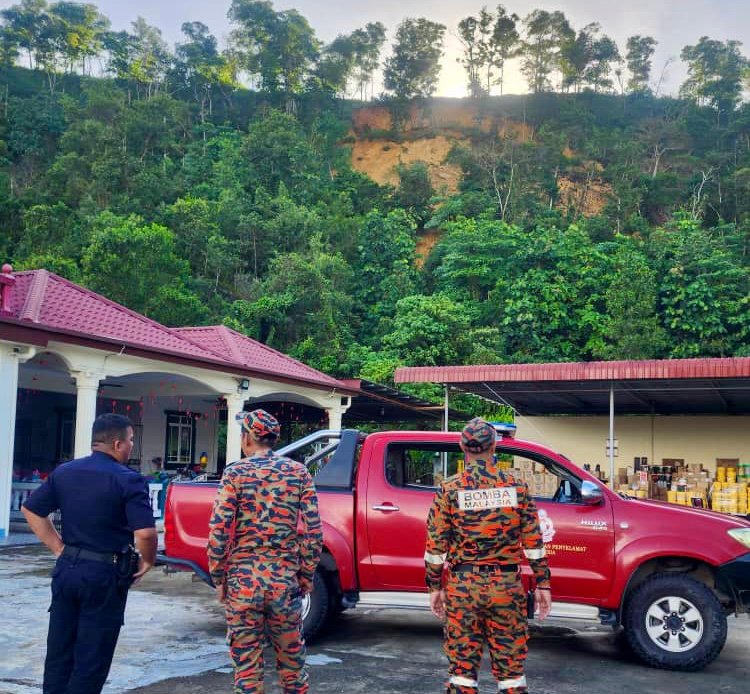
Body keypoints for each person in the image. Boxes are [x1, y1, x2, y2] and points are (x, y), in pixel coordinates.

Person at [21, 413, 158, 694]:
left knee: (59, 652)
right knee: (91, 658)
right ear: (118, 444)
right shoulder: (129, 480)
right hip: (104, 575)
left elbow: (31, 510)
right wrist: (149, 560)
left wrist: (59, 547)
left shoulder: (65, 471)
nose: (132, 445)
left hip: (67, 570)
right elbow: (145, 533)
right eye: (131, 440)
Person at [425, 417, 552, 694]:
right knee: (511, 674)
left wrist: (435, 587)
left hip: (463, 588)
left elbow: (436, 549)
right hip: (506, 589)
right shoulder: (517, 488)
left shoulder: (449, 489)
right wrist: (543, 584)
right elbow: (533, 543)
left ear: (462, 447)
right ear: (495, 446)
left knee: (462, 674)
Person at [207, 409, 322, 694]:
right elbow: (313, 531)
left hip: (242, 583)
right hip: (284, 583)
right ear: (273, 438)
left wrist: (218, 578)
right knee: (293, 667)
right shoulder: (298, 473)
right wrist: (305, 575)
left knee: (247, 670)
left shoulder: (235, 473)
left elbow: (219, 529)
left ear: (247, 438)